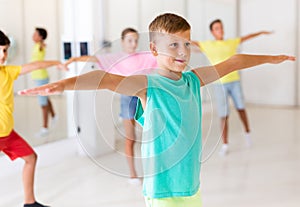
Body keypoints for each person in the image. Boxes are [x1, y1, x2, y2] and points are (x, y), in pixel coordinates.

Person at [19, 13, 295, 207]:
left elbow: (233, 62)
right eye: (173, 44)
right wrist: (65, 85)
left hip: (190, 186)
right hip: (161, 190)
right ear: (153, 48)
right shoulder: (147, 85)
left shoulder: (193, 80)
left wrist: (272, 58)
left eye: (186, 44)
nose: (182, 51)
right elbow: (106, 80)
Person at [65, 28, 157, 184]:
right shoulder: (116, 58)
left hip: (144, 95)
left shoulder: (143, 57)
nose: (133, 43)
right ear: (122, 42)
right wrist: (73, 59)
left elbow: (161, 58)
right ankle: (133, 174)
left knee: (152, 135)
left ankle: (154, 171)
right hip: (127, 99)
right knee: (131, 138)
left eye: (135, 40)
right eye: (129, 40)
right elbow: (94, 59)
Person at [0, 30, 66, 207]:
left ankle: (29, 203)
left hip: (7, 133)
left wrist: (56, 63)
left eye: (4, 50)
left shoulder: (8, 71)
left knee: (31, 158)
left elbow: (35, 65)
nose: (2, 55)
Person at [193, 19, 273, 156]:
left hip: (234, 82)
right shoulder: (207, 45)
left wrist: (261, 32)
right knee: (224, 115)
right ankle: (225, 144)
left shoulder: (231, 42)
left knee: (241, 108)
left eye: (221, 27)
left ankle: (248, 134)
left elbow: (247, 37)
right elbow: (189, 41)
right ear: (212, 32)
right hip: (219, 84)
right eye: (217, 28)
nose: (221, 30)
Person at [30, 28, 58, 137]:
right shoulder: (36, 46)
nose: (33, 35)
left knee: (43, 104)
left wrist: (42, 43)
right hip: (38, 77)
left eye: (35, 34)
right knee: (45, 98)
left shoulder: (40, 46)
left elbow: (42, 47)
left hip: (41, 77)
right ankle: (54, 115)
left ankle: (45, 128)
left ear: (40, 37)